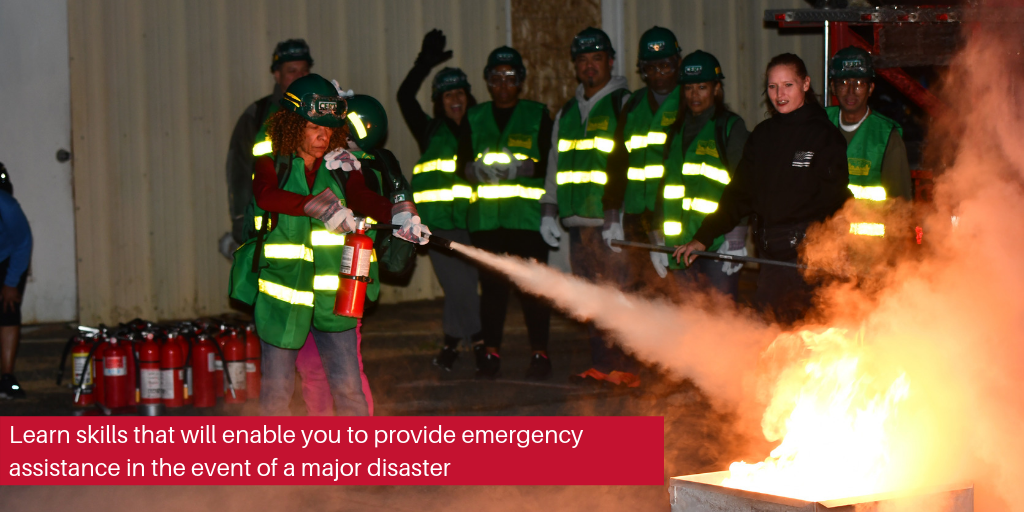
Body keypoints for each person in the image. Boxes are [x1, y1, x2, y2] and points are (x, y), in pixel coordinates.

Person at [231, 74, 429, 415]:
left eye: (329, 129)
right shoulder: (273, 158)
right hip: (282, 296)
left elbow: (361, 195)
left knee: (349, 390)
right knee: (277, 395)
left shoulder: (339, 160)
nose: (323, 137)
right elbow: (265, 194)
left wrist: (399, 214)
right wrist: (314, 205)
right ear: (293, 125)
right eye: (314, 128)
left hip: (336, 296)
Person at [675, 53, 850, 325]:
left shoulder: (823, 136)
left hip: (809, 263)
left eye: (788, 85)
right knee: (769, 340)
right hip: (769, 262)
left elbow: (836, 200)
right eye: (772, 86)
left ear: (805, 84)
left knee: (809, 344)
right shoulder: (763, 135)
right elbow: (740, 193)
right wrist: (704, 236)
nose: (779, 94)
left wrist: (837, 252)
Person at [222, 39, 336, 416]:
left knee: (317, 360)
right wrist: (241, 220)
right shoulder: (259, 116)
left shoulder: (325, 115)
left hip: (320, 254)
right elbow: (241, 173)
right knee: (278, 360)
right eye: (291, 71)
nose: (298, 76)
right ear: (276, 74)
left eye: (304, 69)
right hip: (275, 250)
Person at [539, 27, 638, 387]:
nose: (589, 66)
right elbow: (554, 164)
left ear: (610, 60)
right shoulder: (566, 112)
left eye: (596, 58)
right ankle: (602, 363)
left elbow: (633, 163)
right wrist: (548, 210)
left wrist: (621, 215)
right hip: (577, 224)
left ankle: (627, 365)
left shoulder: (624, 103)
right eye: (582, 60)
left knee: (619, 295)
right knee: (592, 298)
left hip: (611, 222)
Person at [456, 46, 554, 380]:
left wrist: (524, 170)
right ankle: (491, 351)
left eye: (510, 77)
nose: (502, 84)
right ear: (487, 81)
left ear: (521, 81)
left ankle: (540, 353)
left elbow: (550, 164)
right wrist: (474, 171)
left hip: (527, 221)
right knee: (493, 291)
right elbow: (461, 165)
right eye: (496, 77)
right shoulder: (474, 116)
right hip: (487, 222)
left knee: (533, 290)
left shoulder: (538, 114)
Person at [397, 30, 483, 372]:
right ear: (438, 101)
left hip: (474, 222)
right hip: (438, 226)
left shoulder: (481, 127)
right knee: (458, 285)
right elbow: (404, 97)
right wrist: (422, 65)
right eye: (447, 94)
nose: (455, 99)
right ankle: (479, 342)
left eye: (460, 92)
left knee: (461, 287)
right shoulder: (429, 130)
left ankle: (450, 345)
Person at [654, 50, 749, 299]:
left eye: (702, 87)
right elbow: (665, 188)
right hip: (679, 245)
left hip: (718, 243)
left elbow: (744, 184)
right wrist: (657, 237)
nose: (694, 95)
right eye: (689, 88)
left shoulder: (729, 128)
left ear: (717, 89)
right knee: (689, 324)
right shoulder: (675, 132)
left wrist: (737, 236)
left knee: (721, 322)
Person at [604, 26, 684, 280]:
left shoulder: (690, 102)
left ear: (678, 63)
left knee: (678, 294)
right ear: (642, 69)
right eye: (650, 67)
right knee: (639, 291)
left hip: (675, 217)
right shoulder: (634, 104)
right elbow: (617, 162)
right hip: (636, 216)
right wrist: (612, 213)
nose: (658, 74)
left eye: (665, 66)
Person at [826, 46, 912, 239]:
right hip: (826, 248)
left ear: (871, 88)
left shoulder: (885, 136)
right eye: (844, 82)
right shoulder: (820, 124)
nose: (850, 90)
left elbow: (901, 206)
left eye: (859, 83)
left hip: (871, 253)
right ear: (833, 87)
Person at [0, 163, 32, 399]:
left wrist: (11, 283)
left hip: (7, 257)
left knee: (7, 310)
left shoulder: (6, 206)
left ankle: (7, 377)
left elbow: (23, 242)